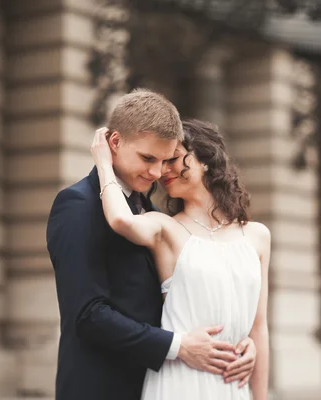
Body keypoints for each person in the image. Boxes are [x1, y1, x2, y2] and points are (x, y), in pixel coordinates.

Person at [47, 89, 257, 400]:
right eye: (148, 158)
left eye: (165, 160)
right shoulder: (77, 204)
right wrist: (178, 346)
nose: (157, 173)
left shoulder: (155, 215)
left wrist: (239, 341)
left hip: (162, 386)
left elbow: (182, 300)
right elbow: (87, 315)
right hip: (102, 388)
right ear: (114, 143)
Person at [90, 118, 270, 399]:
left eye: (172, 159)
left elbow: (259, 327)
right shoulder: (165, 227)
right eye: (160, 162)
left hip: (232, 384)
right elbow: (120, 220)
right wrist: (103, 164)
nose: (163, 171)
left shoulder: (258, 236)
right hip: (180, 381)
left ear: (206, 160)